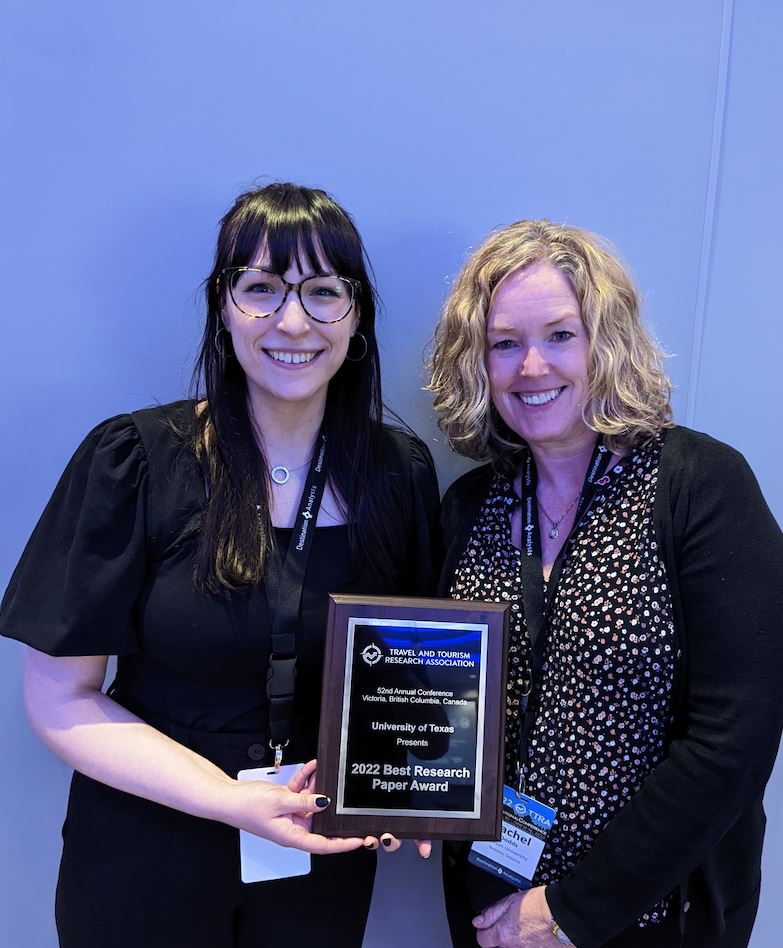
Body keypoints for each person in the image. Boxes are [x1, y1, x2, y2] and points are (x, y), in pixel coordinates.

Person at [0, 182, 440, 948]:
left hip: (317, 855)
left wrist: (411, 786)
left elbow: (410, 669)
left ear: (357, 314)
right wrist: (225, 798)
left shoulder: (396, 473)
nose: (293, 321)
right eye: (261, 289)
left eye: (322, 292)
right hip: (146, 855)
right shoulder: (133, 460)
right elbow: (59, 699)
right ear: (223, 306)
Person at [428, 219, 783, 948]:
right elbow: (438, 697)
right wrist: (403, 795)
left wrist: (570, 911)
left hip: (652, 914)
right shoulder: (469, 508)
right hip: (492, 909)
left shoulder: (699, 485)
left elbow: (734, 738)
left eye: (560, 335)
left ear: (606, 340)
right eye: (503, 343)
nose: (532, 367)